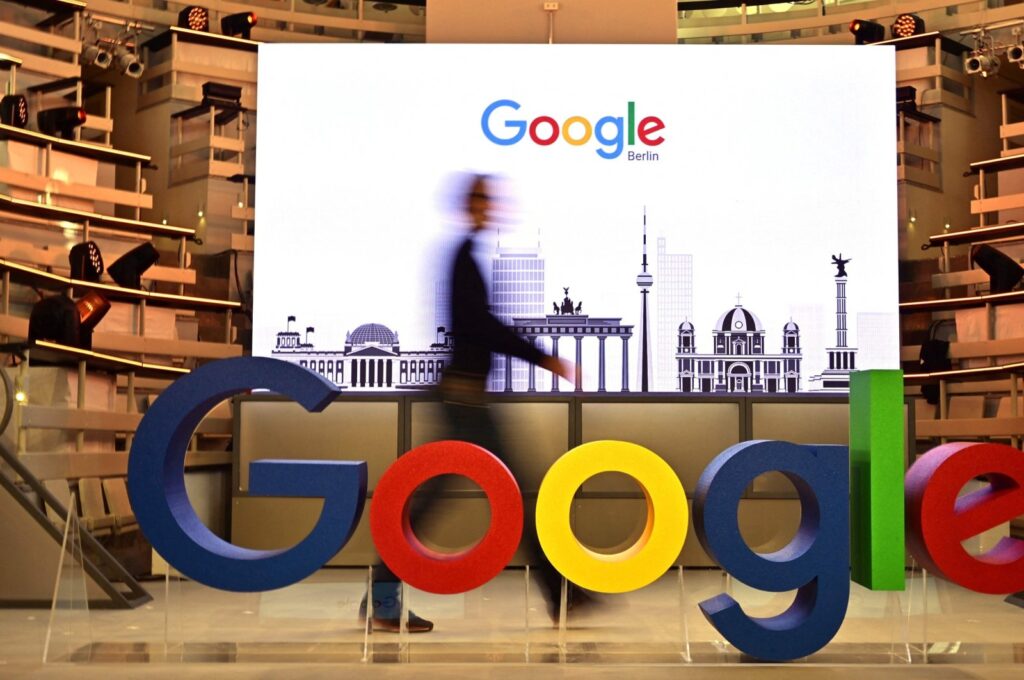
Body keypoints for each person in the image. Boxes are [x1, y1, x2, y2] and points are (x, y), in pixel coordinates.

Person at [361, 174, 575, 633]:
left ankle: (381, 598)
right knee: (514, 494)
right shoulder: (462, 257)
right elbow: (480, 326)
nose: (489, 206)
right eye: (481, 198)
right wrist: (541, 355)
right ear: (468, 205)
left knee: (453, 497)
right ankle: (561, 593)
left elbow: (480, 326)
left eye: (490, 199)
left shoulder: (464, 257)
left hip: (466, 395)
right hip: (464, 398)